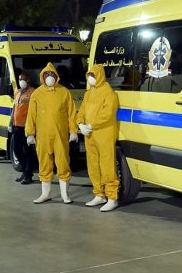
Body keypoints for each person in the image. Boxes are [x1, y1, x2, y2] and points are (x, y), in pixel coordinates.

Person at [26, 63, 78, 204]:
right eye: (47, 75)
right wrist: (30, 133)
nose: (49, 77)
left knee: (63, 162)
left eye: (52, 75)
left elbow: (72, 113)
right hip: (42, 136)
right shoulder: (37, 94)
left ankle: (64, 194)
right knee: (44, 163)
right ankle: (46, 193)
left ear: (57, 76)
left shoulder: (64, 92)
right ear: (43, 77)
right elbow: (31, 115)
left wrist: (74, 130)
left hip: (60, 135)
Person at [77, 64, 121, 212]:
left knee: (107, 165)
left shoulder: (109, 93)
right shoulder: (88, 94)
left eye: (93, 75)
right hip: (90, 135)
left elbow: (107, 113)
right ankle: (99, 194)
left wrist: (91, 124)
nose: (91, 78)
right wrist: (80, 123)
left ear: (100, 76)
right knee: (93, 165)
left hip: (104, 134)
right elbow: (82, 110)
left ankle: (112, 197)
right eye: (89, 75)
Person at [10, 72, 35, 183]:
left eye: (23, 79)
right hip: (17, 126)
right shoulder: (17, 93)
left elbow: (34, 111)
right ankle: (25, 171)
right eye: (20, 79)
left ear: (28, 80)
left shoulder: (33, 92)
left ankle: (28, 174)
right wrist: (11, 123)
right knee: (17, 149)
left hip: (27, 127)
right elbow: (14, 109)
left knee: (28, 151)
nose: (21, 81)